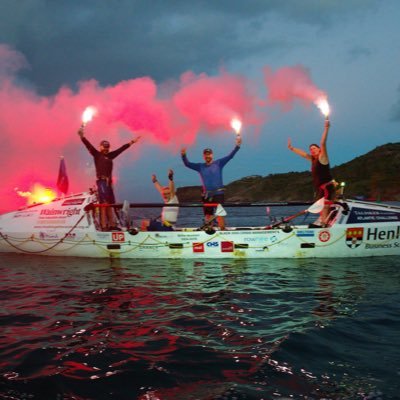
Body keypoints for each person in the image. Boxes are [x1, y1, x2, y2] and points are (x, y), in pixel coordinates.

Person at [78, 126, 141, 231]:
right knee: (104, 203)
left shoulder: (111, 155)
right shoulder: (97, 155)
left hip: (108, 183)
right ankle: (104, 225)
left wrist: (132, 142)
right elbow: (87, 145)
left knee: (111, 203)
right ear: (101, 147)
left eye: (107, 147)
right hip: (101, 181)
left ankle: (112, 224)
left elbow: (121, 149)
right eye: (104, 147)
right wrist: (82, 136)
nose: (106, 149)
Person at [181, 135, 242, 230]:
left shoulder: (219, 163)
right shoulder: (200, 166)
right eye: (206, 154)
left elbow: (230, 156)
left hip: (218, 194)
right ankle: (209, 231)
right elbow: (187, 164)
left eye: (209, 154)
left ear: (212, 155)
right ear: (203, 156)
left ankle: (222, 230)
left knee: (220, 214)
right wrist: (183, 155)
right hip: (207, 195)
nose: (207, 155)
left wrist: (237, 146)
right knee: (208, 215)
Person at [287, 118, 337, 226]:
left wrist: (326, 128)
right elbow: (304, 154)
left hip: (327, 187)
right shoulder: (313, 159)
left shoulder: (323, 158)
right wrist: (292, 148)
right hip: (320, 188)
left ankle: (324, 226)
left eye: (314, 148)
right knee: (320, 207)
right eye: (311, 149)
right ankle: (325, 223)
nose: (312, 150)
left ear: (319, 150)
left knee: (325, 206)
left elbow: (323, 143)